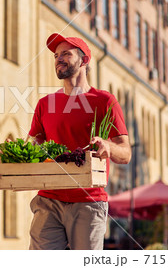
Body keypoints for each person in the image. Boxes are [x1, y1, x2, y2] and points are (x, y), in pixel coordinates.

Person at [28, 33, 132, 250]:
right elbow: (33, 143)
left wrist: (107, 146)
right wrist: (23, 148)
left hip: (88, 201)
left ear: (84, 60)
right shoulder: (45, 104)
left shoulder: (104, 101)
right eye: (56, 55)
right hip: (49, 198)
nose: (58, 59)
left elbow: (125, 153)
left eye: (66, 53)